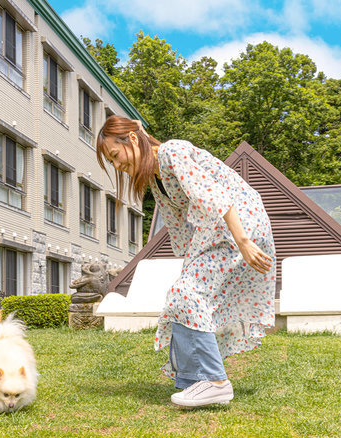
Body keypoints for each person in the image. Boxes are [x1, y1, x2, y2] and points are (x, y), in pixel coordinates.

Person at [96, 115, 276, 407]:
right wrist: (189, 269)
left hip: (238, 223)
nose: (117, 166)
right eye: (112, 163)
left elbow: (214, 196)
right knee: (181, 294)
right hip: (216, 230)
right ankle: (193, 381)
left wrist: (243, 241)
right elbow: (182, 227)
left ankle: (215, 382)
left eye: (115, 156)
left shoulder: (172, 152)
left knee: (185, 293)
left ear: (130, 140)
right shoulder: (155, 176)